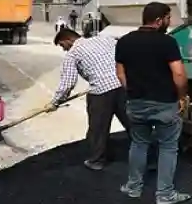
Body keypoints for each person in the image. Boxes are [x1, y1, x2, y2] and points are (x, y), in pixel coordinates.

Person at [115, 2, 190, 204]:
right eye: (168, 18)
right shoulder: (167, 42)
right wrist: (182, 96)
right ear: (158, 20)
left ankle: (133, 187)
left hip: (136, 102)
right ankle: (165, 194)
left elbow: (120, 74)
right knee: (168, 147)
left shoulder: (124, 41)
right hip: (164, 103)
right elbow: (179, 74)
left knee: (139, 143)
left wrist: (133, 92)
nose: (169, 22)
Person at [47, 28, 130, 171]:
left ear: (68, 40)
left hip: (101, 92)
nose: (64, 49)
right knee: (133, 122)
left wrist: (55, 102)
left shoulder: (73, 53)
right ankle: (149, 154)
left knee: (97, 129)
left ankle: (97, 160)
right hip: (123, 86)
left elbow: (68, 83)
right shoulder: (105, 39)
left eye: (62, 45)